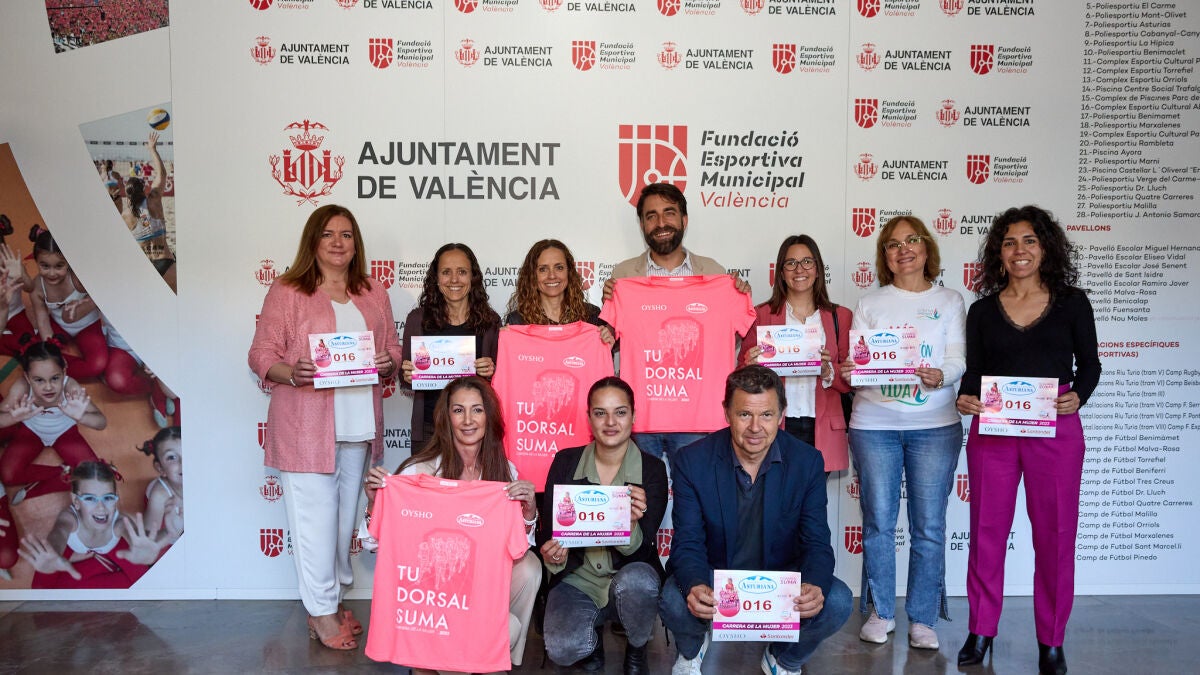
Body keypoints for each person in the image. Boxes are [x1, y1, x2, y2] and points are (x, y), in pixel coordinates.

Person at [247, 204, 401, 651]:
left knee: (339, 527)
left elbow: (392, 347)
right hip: (305, 429)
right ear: (312, 241)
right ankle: (320, 612)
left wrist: (387, 361)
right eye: (328, 234)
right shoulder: (288, 290)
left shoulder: (372, 290)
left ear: (356, 243)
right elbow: (260, 353)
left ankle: (331, 602)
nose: (338, 242)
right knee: (313, 526)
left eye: (346, 234)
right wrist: (292, 372)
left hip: (357, 428)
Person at [955, 206, 1101, 675]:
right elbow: (975, 373)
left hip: (1055, 427)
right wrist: (965, 397)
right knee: (986, 533)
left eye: (1029, 241)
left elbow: (1091, 365)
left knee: (1056, 536)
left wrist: (1079, 395)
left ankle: (1051, 640)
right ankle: (980, 630)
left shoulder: (1072, 302)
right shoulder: (982, 310)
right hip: (994, 430)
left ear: (1045, 248)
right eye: (1009, 242)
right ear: (998, 253)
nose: (1019, 250)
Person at [659, 365, 851, 675]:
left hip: (780, 580)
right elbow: (688, 541)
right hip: (717, 578)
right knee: (674, 597)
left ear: (781, 415)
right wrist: (696, 585)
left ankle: (783, 658)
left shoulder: (807, 461)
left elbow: (817, 541)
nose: (755, 427)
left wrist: (814, 584)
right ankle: (692, 648)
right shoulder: (692, 461)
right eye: (744, 414)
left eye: (766, 415)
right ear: (726, 412)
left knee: (837, 600)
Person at [838, 215, 965, 649]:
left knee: (928, 526)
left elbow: (958, 358)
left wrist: (942, 375)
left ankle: (923, 618)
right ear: (884, 256)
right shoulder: (870, 303)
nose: (903, 249)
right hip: (874, 425)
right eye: (893, 244)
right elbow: (860, 366)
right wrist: (852, 370)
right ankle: (882, 611)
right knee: (878, 523)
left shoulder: (950, 299)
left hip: (935, 426)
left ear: (927, 248)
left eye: (912, 240)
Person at [363, 376, 541, 674]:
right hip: (435, 591)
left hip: (479, 583)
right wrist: (374, 503)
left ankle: (490, 655)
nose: (468, 420)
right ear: (446, 418)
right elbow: (375, 543)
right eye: (458, 410)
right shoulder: (417, 471)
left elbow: (519, 545)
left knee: (530, 568)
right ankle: (436, 659)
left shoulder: (504, 472)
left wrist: (529, 509)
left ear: (489, 417)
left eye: (477, 410)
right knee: (505, 629)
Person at [602, 182, 752, 461]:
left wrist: (736, 295)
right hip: (642, 417)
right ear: (642, 225)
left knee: (695, 487)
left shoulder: (715, 273)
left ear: (684, 219)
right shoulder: (624, 276)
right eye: (651, 216)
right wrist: (611, 304)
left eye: (669, 213)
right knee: (641, 487)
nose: (661, 223)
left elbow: (727, 341)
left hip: (698, 419)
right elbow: (612, 340)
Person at [537, 376, 667, 675]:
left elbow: (642, 549)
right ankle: (591, 642)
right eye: (600, 413)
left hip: (630, 574)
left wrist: (629, 521)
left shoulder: (652, 469)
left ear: (633, 416)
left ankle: (637, 646)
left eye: (620, 412)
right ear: (589, 417)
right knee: (563, 648)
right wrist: (553, 553)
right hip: (579, 577)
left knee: (639, 582)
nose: (610, 422)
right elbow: (549, 532)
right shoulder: (566, 461)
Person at [739, 235, 852, 473]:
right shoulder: (761, 315)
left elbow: (851, 380)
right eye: (790, 263)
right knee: (774, 495)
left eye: (807, 262)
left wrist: (828, 371)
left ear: (818, 269)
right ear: (781, 272)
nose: (799, 269)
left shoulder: (840, 316)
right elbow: (739, 377)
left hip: (823, 429)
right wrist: (750, 367)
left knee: (813, 497)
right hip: (774, 426)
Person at [401, 244, 500, 449]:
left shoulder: (490, 322)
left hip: (474, 429)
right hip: (429, 429)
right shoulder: (417, 320)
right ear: (436, 278)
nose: (454, 280)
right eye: (446, 272)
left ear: (472, 277)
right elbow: (405, 379)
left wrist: (492, 372)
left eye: (462, 272)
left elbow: (501, 381)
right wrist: (408, 375)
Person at [18, 461, 166, 588]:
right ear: (76, 501)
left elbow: (130, 531)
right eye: (90, 498)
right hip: (73, 549)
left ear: (115, 498)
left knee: (144, 585)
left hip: (114, 550)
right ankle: (100, 562)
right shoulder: (69, 518)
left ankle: (99, 561)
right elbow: (59, 533)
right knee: (39, 589)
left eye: (108, 498)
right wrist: (54, 552)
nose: (101, 507)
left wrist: (142, 545)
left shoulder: (119, 522)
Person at [0, 340, 107, 505]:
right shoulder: (21, 387)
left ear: (64, 371)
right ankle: (63, 472)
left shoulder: (70, 387)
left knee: (93, 475)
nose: (48, 387)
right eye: (39, 380)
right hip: (31, 431)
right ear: (27, 377)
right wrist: (13, 418)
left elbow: (102, 422)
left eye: (55, 378)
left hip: (65, 432)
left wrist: (82, 417)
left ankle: (41, 487)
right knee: (7, 475)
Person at [120, 131, 176, 292]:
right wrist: (152, 149)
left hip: (144, 267)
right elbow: (162, 174)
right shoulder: (154, 200)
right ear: (143, 189)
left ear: (127, 194)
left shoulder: (125, 215)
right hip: (164, 261)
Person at [505, 239, 604, 328]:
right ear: (532, 275)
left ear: (569, 272)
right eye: (543, 269)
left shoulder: (591, 315)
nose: (552, 276)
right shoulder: (517, 321)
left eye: (559, 268)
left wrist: (607, 337)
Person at [136, 425, 183, 543]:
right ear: (160, 468)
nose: (183, 462)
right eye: (172, 457)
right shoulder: (159, 495)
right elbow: (148, 540)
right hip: (160, 496)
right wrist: (171, 532)